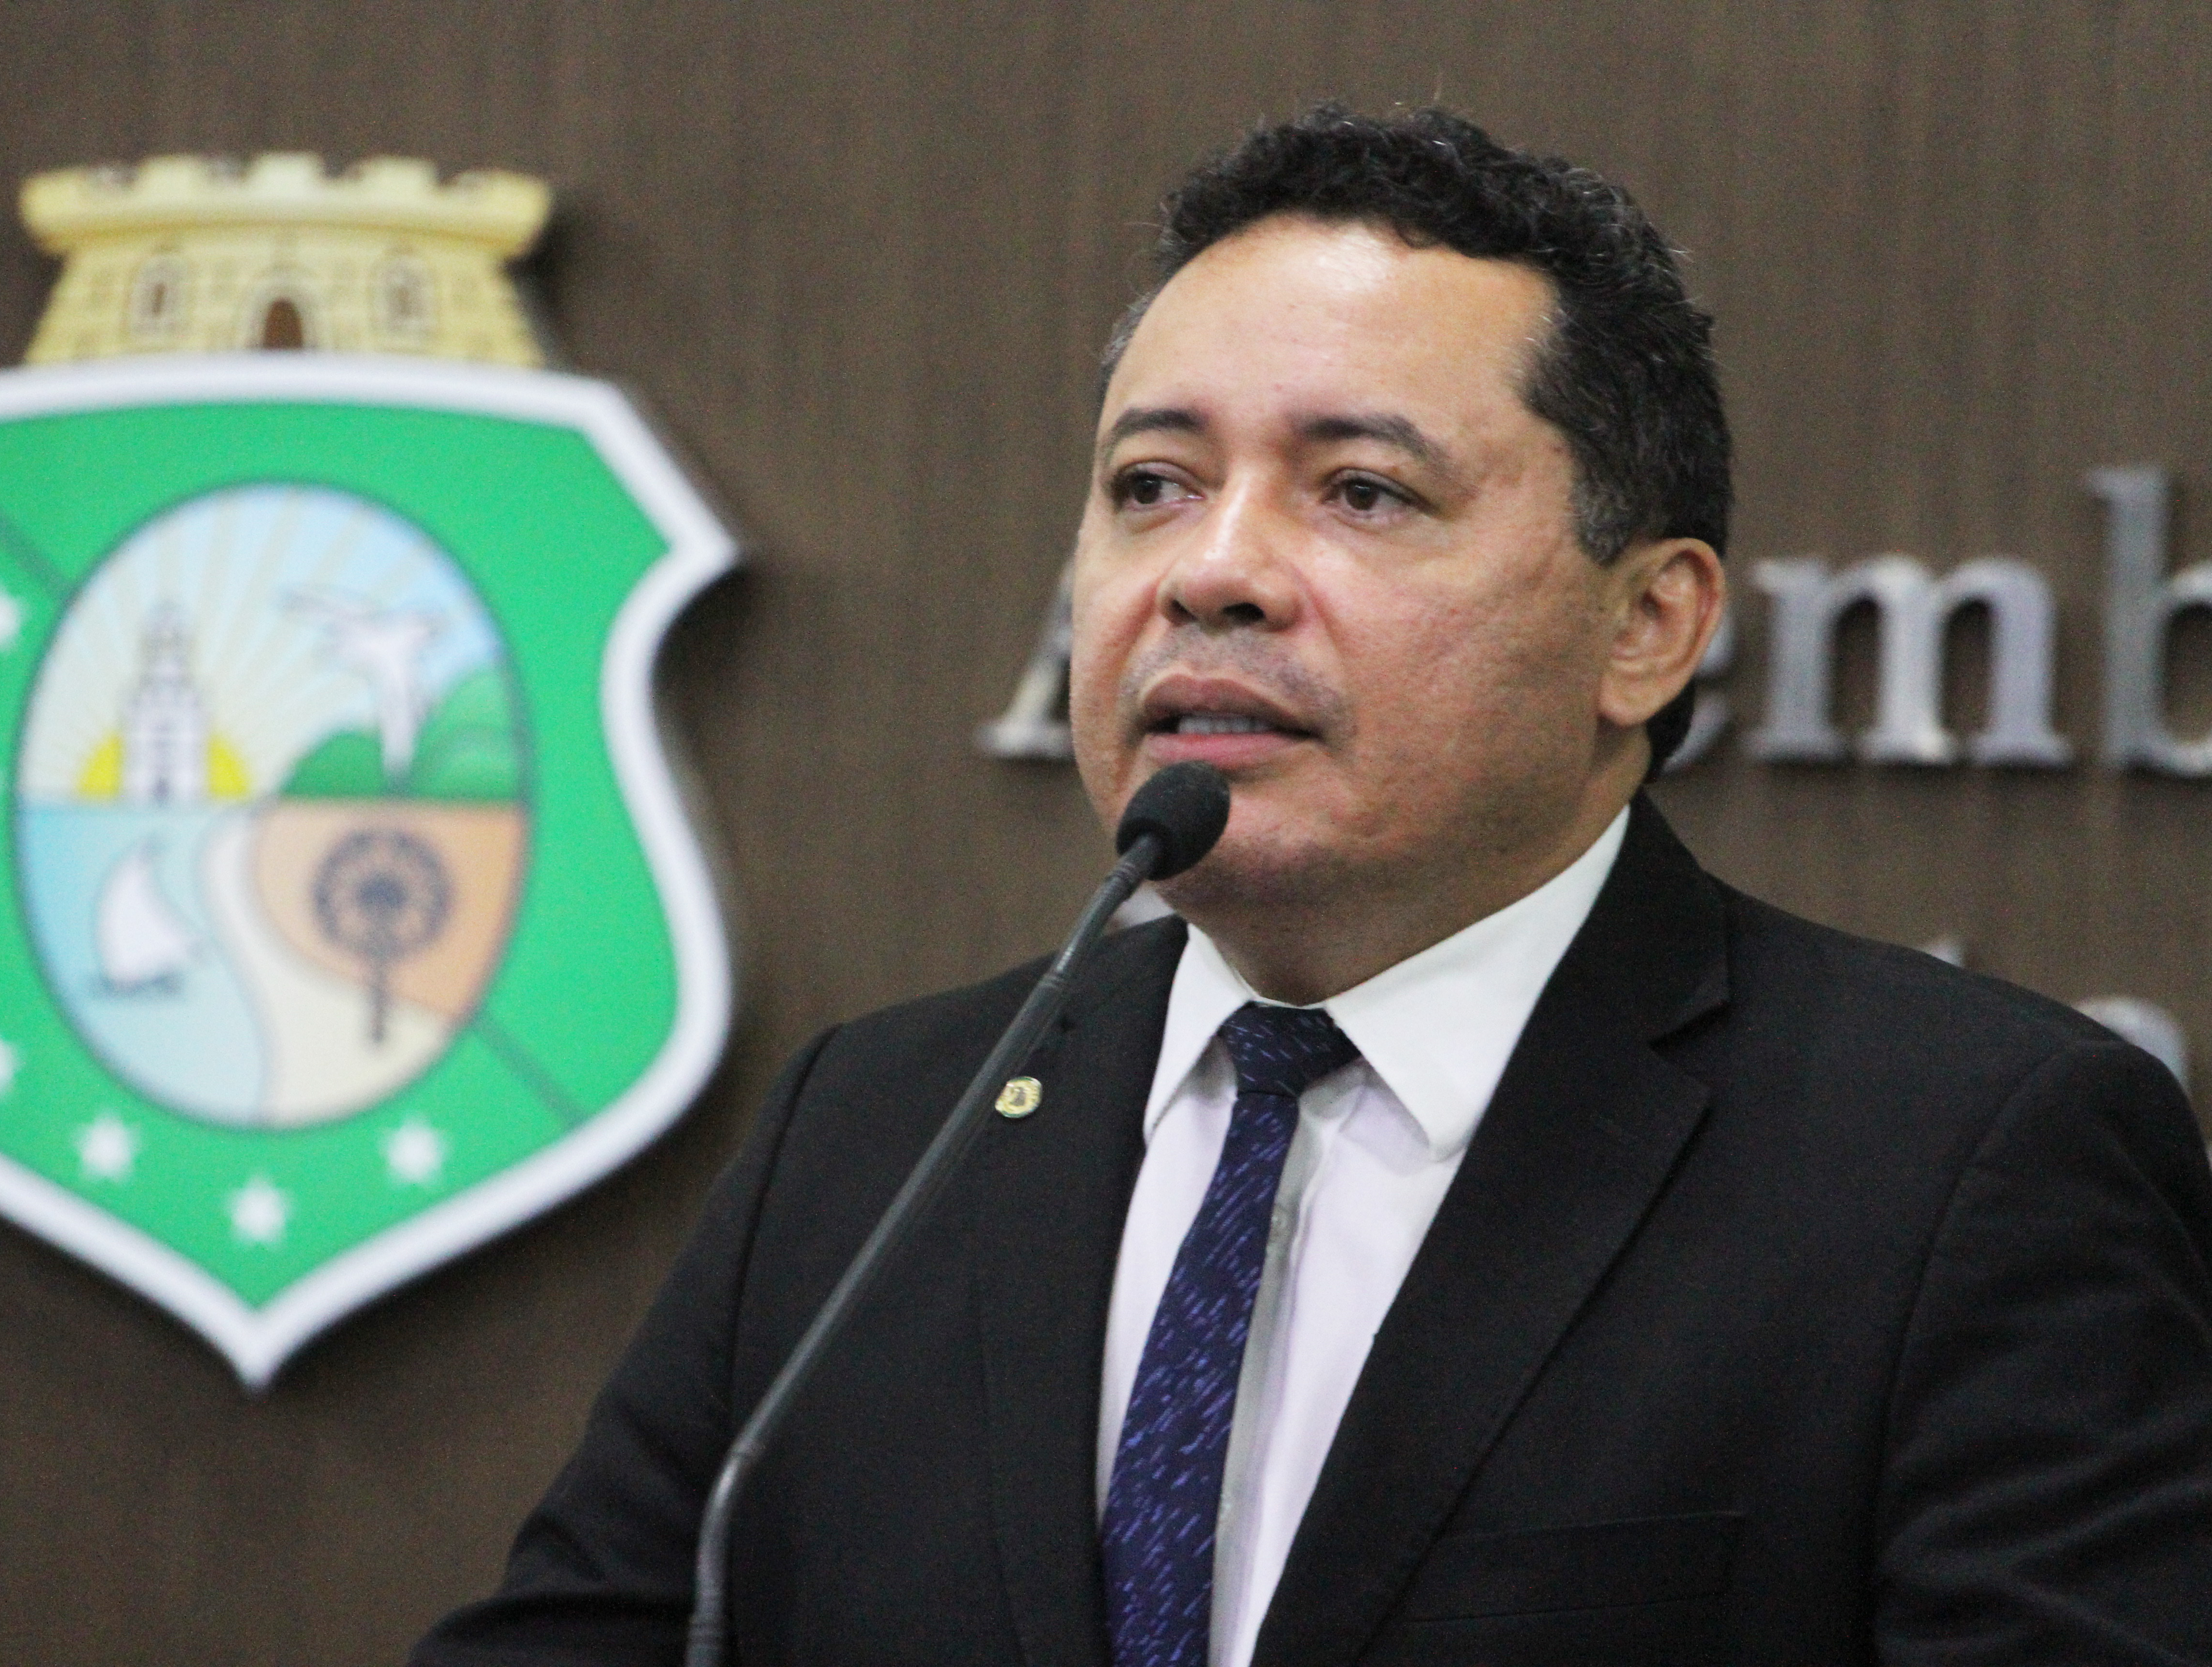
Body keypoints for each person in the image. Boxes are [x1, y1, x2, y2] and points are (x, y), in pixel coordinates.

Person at [413, 107, 2212, 1667]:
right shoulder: (877, 1136)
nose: (1214, 573)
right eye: (1151, 485)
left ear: (1649, 627)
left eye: (1360, 492)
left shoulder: (1964, 1168)